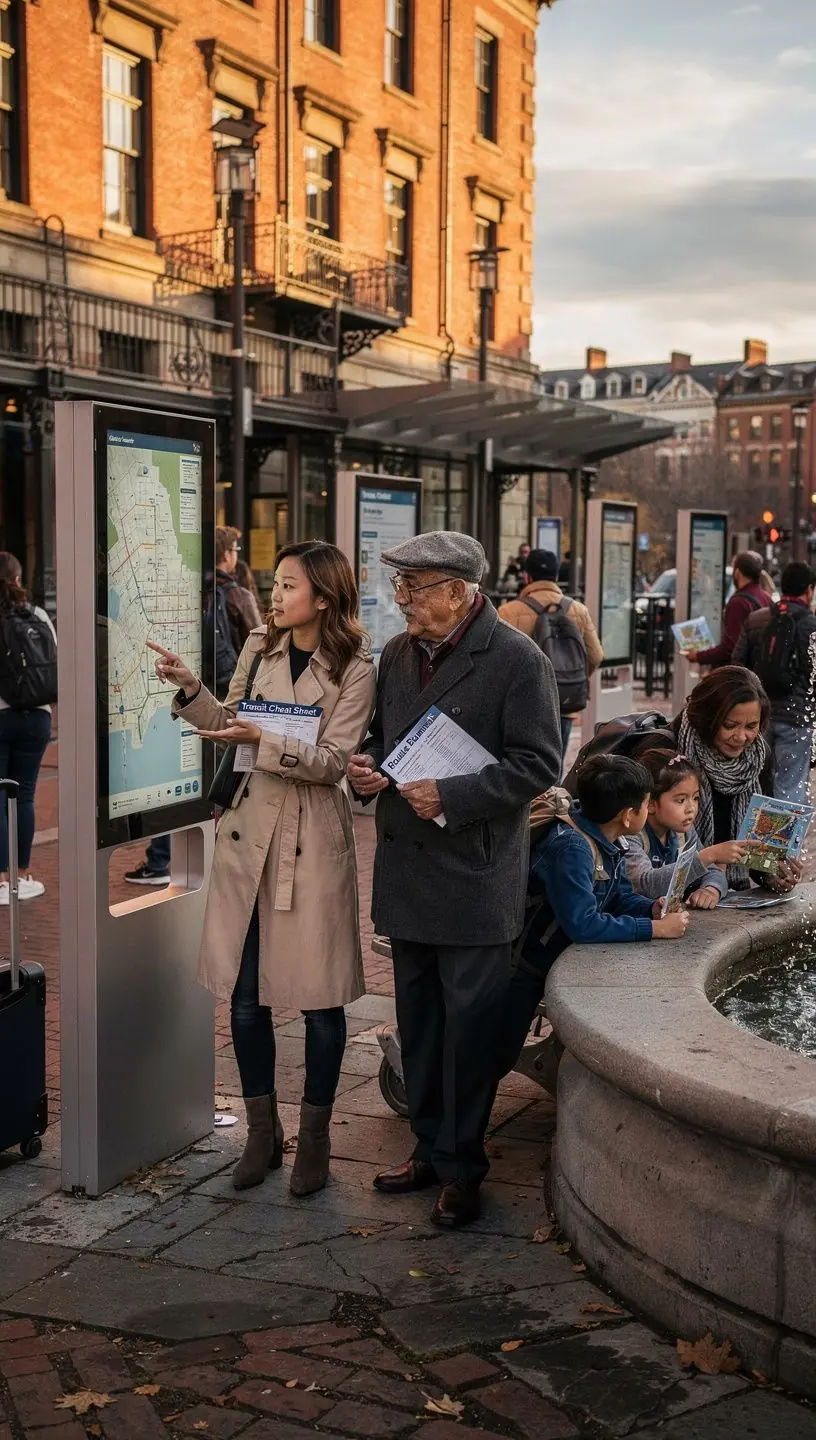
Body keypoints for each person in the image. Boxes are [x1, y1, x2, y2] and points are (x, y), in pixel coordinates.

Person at [348, 531, 561, 1229]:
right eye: (400, 587)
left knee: (468, 1036)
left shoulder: (516, 660)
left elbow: (538, 766)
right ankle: (428, 1151)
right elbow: (384, 735)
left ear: (458, 592)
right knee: (419, 1028)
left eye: (413, 588)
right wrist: (368, 766)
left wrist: (455, 795)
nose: (401, 600)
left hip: (473, 879)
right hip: (410, 874)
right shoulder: (397, 654)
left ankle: (464, 1168)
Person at [150, 541, 376, 1196]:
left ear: (324, 598)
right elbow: (229, 722)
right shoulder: (259, 644)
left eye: (288, 586)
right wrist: (191, 688)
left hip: (311, 842)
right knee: (245, 1001)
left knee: (319, 1000)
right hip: (251, 836)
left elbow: (334, 762)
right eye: (275, 585)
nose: (276, 596)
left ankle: (315, 1140)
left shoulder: (356, 665)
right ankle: (261, 1133)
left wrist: (264, 740)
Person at [496, 756, 689, 1085]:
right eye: (645, 805)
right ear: (629, 815)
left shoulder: (610, 839)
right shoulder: (573, 848)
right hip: (525, 966)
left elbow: (618, 896)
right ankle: (450, 1119)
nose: (647, 811)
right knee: (494, 1055)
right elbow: (582, 924)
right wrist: (655, 929)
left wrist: (649, 909)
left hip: (553, 958)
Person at [125, 525, 263, 886]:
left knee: (184, 781)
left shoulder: (185, 591)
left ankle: (159, 859)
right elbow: (262, 649)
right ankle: (215, 855)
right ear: (227, 553)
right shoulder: (238, 595)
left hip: (189, 699)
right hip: (222, 701)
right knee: (223, 785)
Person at [498, 548, 603, 759]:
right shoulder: (578, 610)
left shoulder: (508, 611)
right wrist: (570, 679)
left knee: (519, 766)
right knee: (553, 767)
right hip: (563, 701)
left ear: (527, 576)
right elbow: (596, 656)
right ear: (555, 576)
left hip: (521, 705)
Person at [733, 561, 816, 805]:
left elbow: (737, 663)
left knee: (756, 781)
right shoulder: (812, 626)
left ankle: (752, 839)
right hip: (797, 718)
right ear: (809, 590)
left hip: (757, 716)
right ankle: (782, 842)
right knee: (791, 786)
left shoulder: (757, 619)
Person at [0, 553, 55, 904]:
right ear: (19, 578)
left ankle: (1, 878)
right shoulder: (37, 614)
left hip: (1, 715)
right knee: (26, 795)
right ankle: (21, 875)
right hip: (38, 715)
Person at [625, 749, 740, 908]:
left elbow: (712, 871)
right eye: (681, 800)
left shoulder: (683, 832)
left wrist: (711, 890)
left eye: (695, 798)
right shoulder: (631, 834)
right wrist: (708, 855)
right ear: (650, 803)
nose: (691, 808)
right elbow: (645, 884)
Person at [686, 551, 768, 668]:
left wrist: (699, 656)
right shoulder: (766, 598)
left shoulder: (738, 603)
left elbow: (730, 648)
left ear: (737, 572)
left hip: (741, 674)